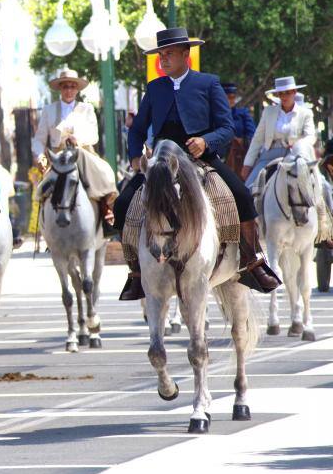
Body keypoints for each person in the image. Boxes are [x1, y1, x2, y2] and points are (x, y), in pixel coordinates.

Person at [113, 27, 280, 300]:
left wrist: (206, 141)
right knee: (122, 204)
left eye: (168, 54)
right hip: (162, 162)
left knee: (242, 196)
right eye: (160, 55)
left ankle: (252, 261)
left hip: (201, 157)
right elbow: (137, 129)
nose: (163, 60)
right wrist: (134, 155)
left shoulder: (208, 83)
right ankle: (135, 273)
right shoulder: (155, 88)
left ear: (185, 54)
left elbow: (226, 128)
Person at [31, 68, 117, 234]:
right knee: (44, 188)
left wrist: (79, 140)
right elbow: (39, 138)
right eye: (65, 87)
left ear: (77, 89)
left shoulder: (87, 109)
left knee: (105, 174)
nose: (69, 90)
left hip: (82, 154)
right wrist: (41, 155)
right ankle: (47, 225)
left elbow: (94, 135)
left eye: (72, 86)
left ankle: (106, 211)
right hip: (58, 157)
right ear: (60, 89)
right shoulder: (48, 110)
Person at [241, 76, 315, 188]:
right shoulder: (268, 112)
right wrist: (247, 164)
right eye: (280, 93)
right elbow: (258, 139)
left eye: (287, 92)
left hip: (295, 155)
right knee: (248, 188)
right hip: (270, 155)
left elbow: (310, 136)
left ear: (294, 92)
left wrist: (298, 143)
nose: (284, 96)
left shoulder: (305, 113)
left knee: (319, 186)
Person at [217, 82, 256, 161]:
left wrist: (241, 141)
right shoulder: (214, 114)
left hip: (239, 154)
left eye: (233, 97)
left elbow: (252, 133)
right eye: (228, 97)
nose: (231, 100)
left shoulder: (243, 113)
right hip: (219, 154)